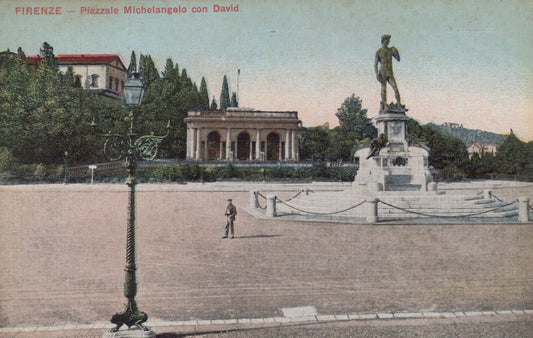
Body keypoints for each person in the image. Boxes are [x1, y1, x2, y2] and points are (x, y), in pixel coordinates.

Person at [375, 34, 401, 111]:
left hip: (390, 72)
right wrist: (377, 74)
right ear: (383, 41)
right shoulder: (379, 51)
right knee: (384, 89)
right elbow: (375, 64)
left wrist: (396, 51)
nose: (388, 42)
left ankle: (399, 104)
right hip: (382, 71)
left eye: (389, 40)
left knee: (395, 88)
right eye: (387, 40)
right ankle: (385, 104)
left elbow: (398, 59)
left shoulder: (391, 50)